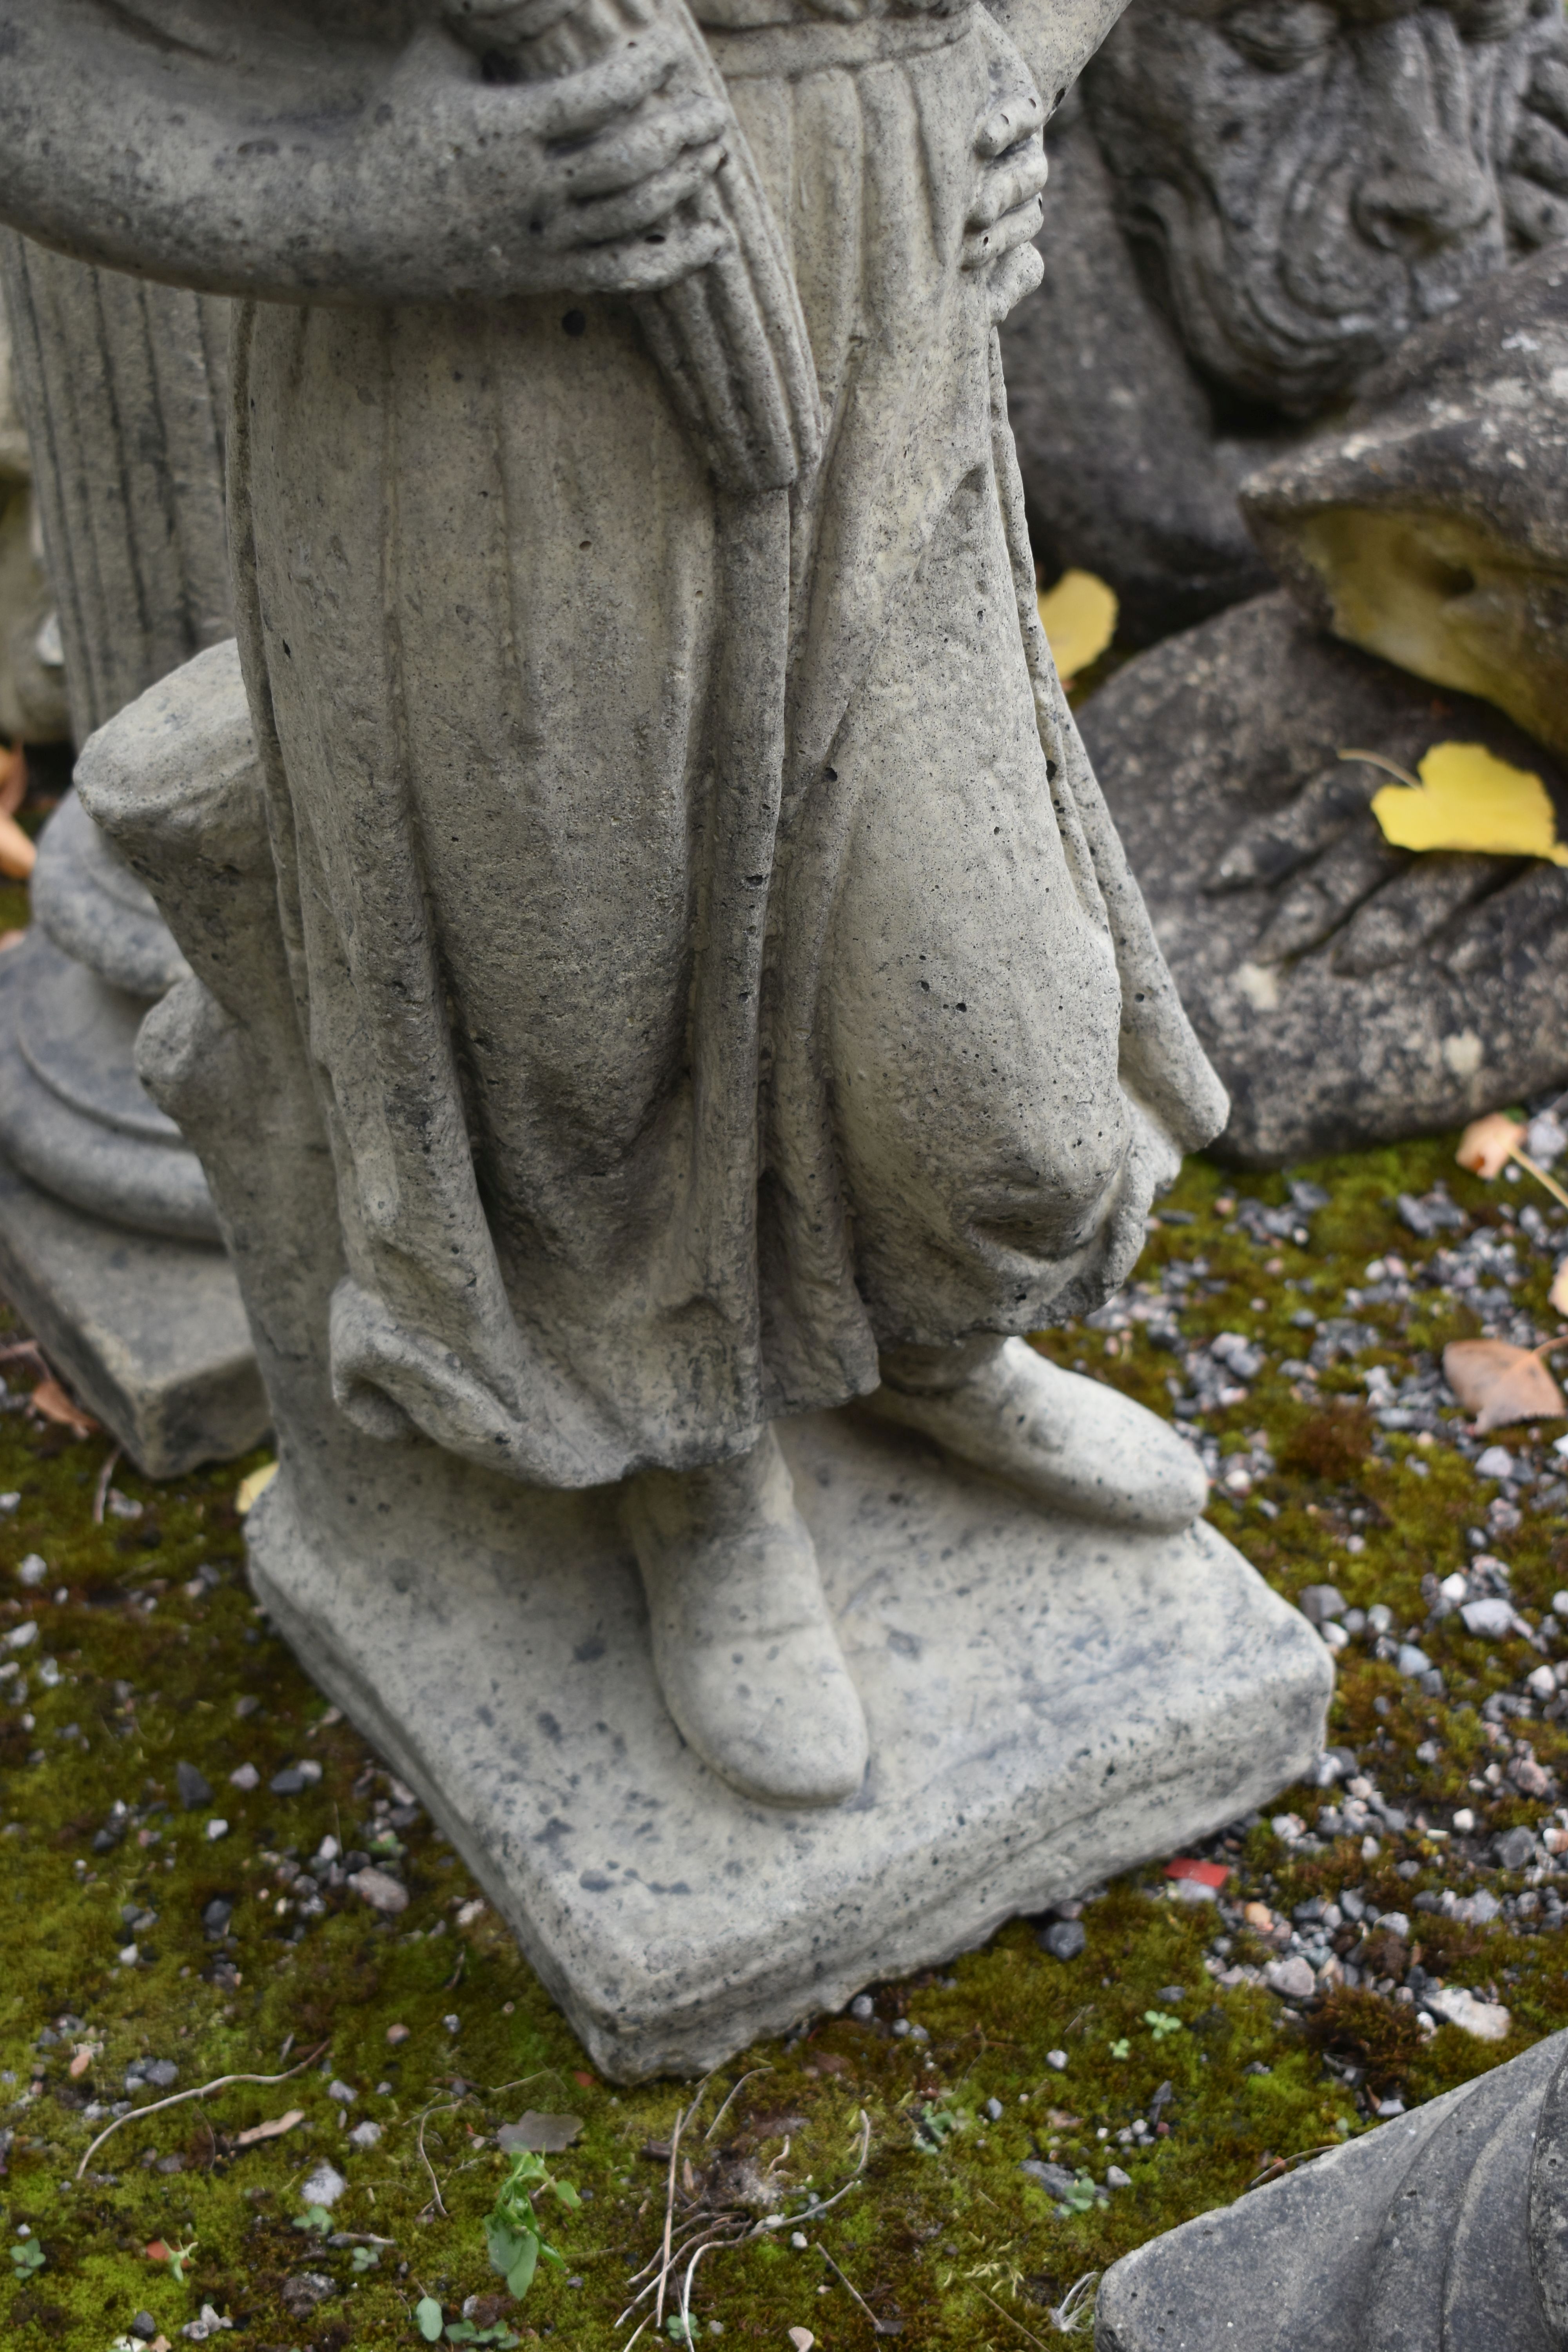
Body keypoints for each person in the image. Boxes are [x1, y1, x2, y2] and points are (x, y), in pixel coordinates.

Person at [0, 0, 1224, 1808]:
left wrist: (1010, 64)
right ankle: (698, 1475)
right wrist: (381, 200)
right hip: (490, 361)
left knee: (1007, 1107)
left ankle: (936, 1330)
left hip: (878, 283)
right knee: (581, 1050)